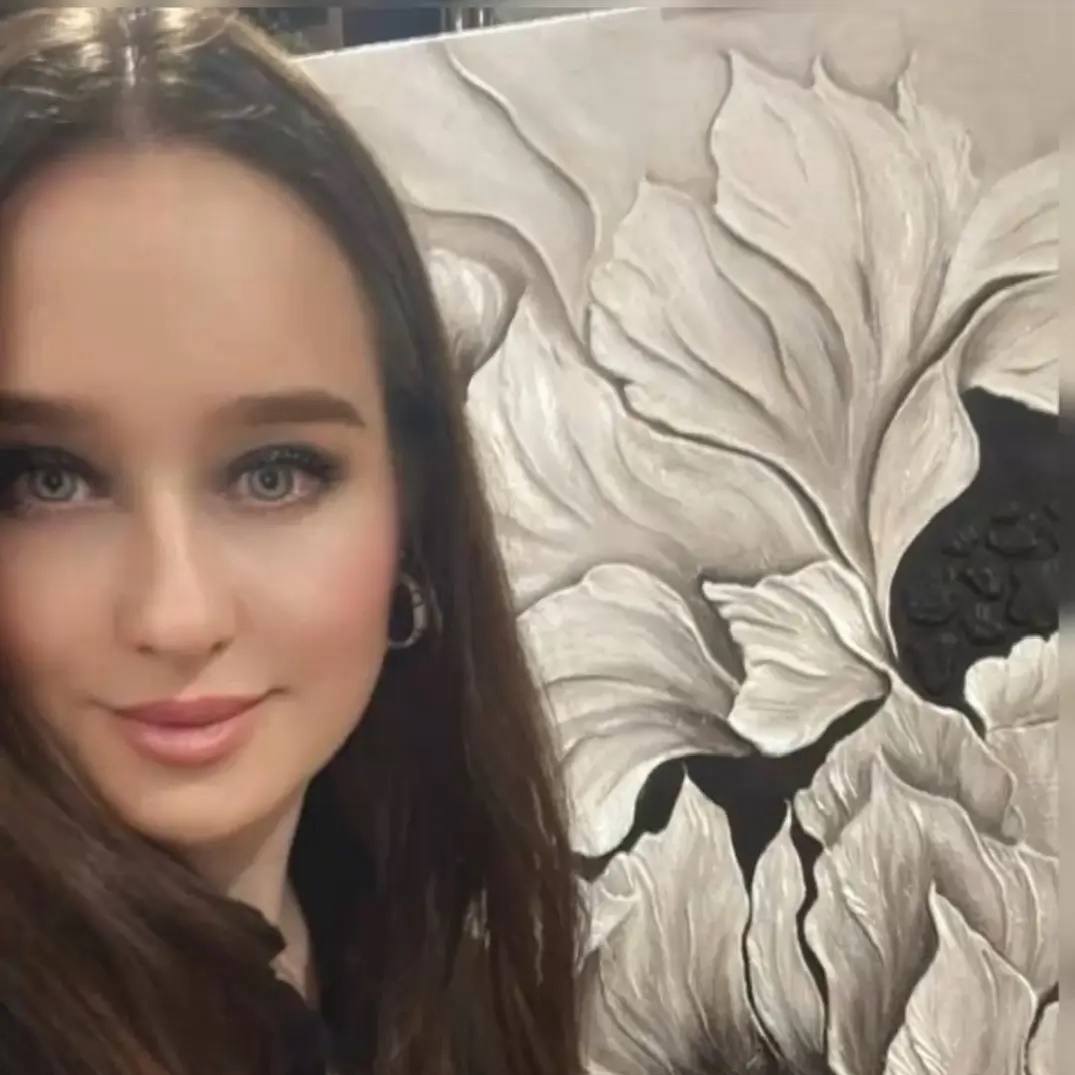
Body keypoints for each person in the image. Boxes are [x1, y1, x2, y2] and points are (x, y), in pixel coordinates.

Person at [0, 8, 582, 1075]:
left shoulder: (411, 930)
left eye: (272, 473)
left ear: (412, 500)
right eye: (47, 479)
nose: (177, 614)